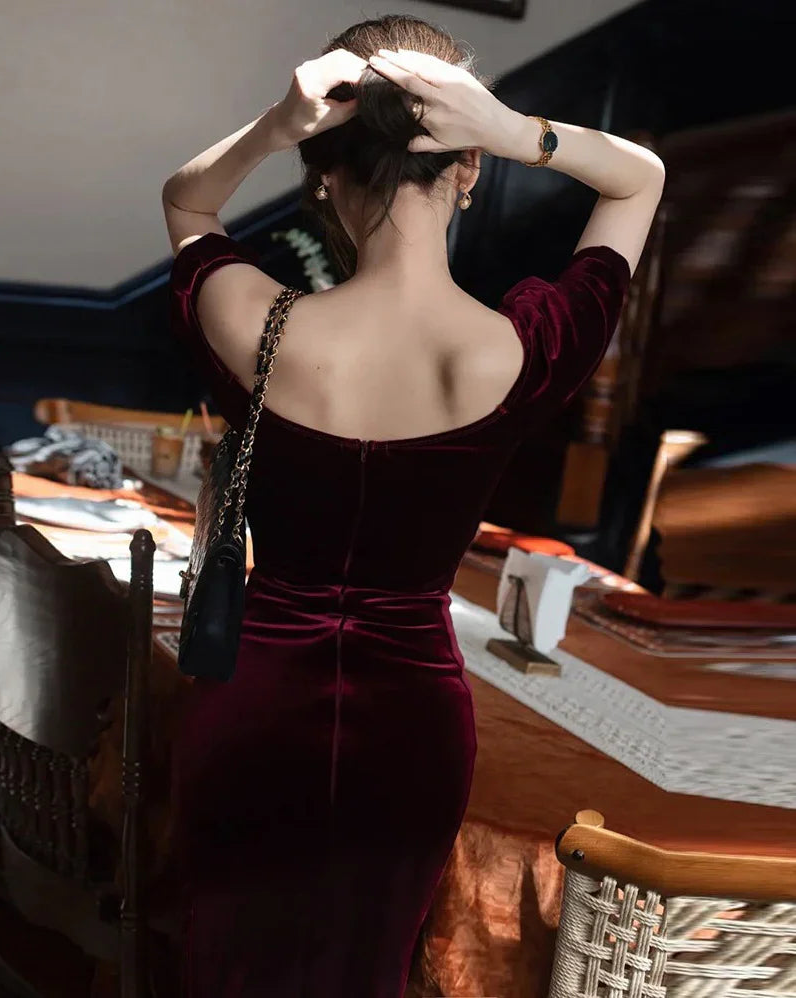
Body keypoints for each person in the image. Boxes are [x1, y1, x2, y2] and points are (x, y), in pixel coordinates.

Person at [161, 14, 663, 998]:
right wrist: (518, 130)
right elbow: (638, 175)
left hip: (250, 701)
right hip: (412, 723)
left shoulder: (250, 320)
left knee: (221, 962)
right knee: (365, 967)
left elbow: (186, 202)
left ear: (319, 172)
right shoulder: (520, 347)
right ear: (465, 168)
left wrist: (276, 122)